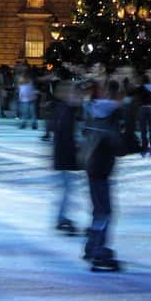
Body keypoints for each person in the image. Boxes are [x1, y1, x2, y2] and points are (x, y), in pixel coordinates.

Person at [82, 78, 125, 271]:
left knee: (98, 210)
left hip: (93, 168)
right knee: (105, 212)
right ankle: (98, 252)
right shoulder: (108, 119)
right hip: (100, 169)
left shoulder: (92, 113)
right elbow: (118, 146)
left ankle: (92, 247)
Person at [51, 69, 82, 235]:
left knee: (67, 190)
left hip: (63, 157)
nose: (80, 98)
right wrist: (75, 154)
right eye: (76, 95)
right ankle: (61, 218)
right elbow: (64, 138)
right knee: (67, 189)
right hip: (64, 157)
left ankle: (62, 217)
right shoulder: (65, 112)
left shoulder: (65, 110)